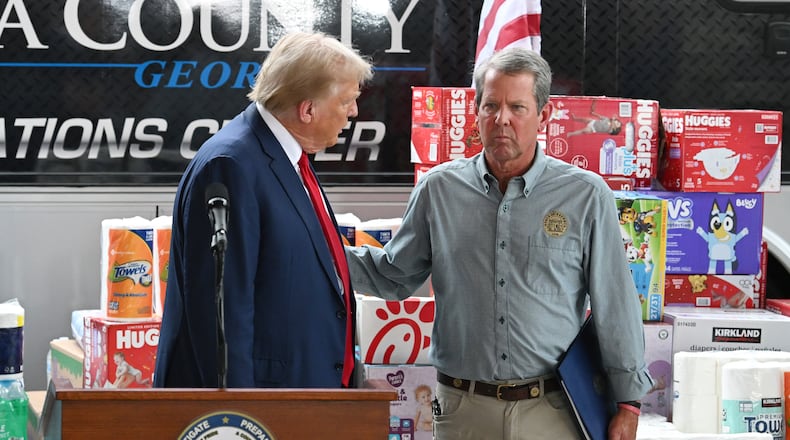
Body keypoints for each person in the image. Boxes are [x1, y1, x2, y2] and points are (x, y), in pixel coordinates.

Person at [345, 47, 652, 440]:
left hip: (553, 411)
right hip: (461, 410)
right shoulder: (438, 190)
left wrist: (628, 404)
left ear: (544, 116)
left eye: (517, 107)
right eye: (491, 105)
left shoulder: (586, 195)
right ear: (476, 112)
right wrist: (319, 251)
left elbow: (615, 303)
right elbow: (392, 276)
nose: (501, 119)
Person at [154, 32, 373, 389]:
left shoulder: (285, 154)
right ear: (308, 109)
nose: (353, 111)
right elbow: (222, 317)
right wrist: (240, 416)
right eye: (347, 100)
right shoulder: (232, 165)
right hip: (259, 409)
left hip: (301, 397)